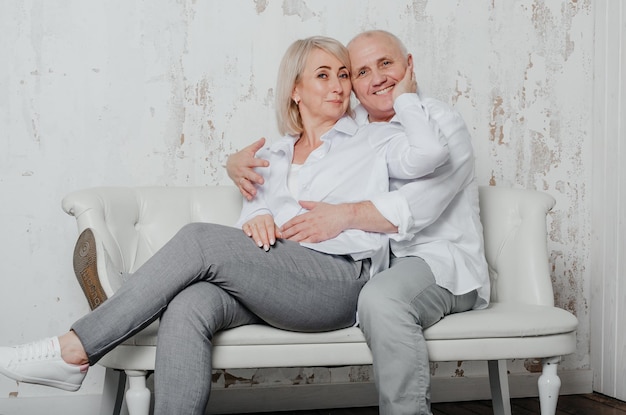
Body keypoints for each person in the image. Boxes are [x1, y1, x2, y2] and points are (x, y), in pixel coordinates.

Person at [0, 35, 449, 415]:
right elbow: (252, 214)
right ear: (295, 90)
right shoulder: (271, 155)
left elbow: (430, 155)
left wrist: (406, 95)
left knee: (200, 240)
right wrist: (257, 214)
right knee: (191, 303)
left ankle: (76, 348)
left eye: (343, 75)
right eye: (324, 75)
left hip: (339, 278)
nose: (340, 85)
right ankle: (142, 304)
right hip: (276, 274)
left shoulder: (375, 136)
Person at [227, 30, 490, 415]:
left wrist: (345, 214)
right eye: (361, 72)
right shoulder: (356, 131)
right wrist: (235, 167)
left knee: (381, 300)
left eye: (386, 64)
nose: (376, 78)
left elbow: (417, 207)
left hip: (440, 263)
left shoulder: (441, 123)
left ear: (409, 66)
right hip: (375, 265)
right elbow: (294, 178)